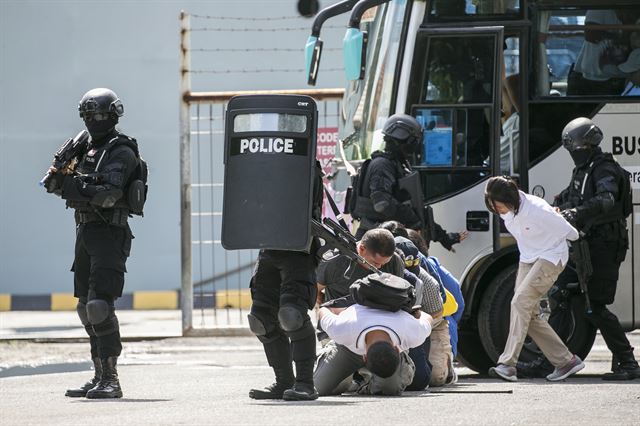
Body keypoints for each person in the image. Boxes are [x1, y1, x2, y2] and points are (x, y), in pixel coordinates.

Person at [45, 88, 143, 399]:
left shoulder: (122, 150)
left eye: (99, 115)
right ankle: (98, 374)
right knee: (84, 307)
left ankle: (112, 379)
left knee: (100, 305)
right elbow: (52, 184)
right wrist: (74, 183)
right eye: (89, 116)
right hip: (85, 231)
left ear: (113, 115)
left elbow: (108, 195)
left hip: (110, 234)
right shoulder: (83, 146)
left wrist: (72, 185)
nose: (94, 121)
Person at [534, 118, 639, 380]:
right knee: (561, 297)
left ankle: (628, 362)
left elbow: (606, 199)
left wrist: (575, 212)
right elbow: (568, 196)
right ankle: (549, 361)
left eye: (576, 148)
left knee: (595, 307)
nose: (574, 154)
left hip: (604, 246)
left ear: (588, 145)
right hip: (584, 246)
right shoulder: (584, 169)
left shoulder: (605, 169)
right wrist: (551, 207)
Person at [485, 176, 585, 382]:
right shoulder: (509, 211)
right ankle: (566, 361)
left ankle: (507, 364)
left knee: (519, 302)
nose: (497, 210)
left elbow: (571, 232)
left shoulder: (537, 209)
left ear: (510, 199)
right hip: (528, 257)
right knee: (527, 313)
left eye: (498, 205)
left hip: (550, 256)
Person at [246, 162, 324, 401]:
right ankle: (283, 382)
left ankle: (305, 384)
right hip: (270, 244)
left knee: (292, 315)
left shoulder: (306, 163)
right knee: (260, 319)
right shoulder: (264, 160)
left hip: (298, 247)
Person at [350, 113, 467, 250]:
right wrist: (412, 221)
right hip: (378, 243)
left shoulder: (398, 165)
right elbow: (382, 204)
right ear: (405, 140)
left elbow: (416, 211)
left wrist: (444, 237)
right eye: (414, 141)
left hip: (390, 240)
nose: (417, 145)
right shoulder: (382, 165)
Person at [314, 274, 434, 396]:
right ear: (397, 350)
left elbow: (323, 310)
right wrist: (343, 310)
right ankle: (350, 379)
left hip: (358, 338)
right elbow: (428, 317)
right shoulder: (344, 327)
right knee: (319, 388)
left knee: (390, 390)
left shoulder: (410, 329)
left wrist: (411, 313)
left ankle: (365, 385)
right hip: (348, 347)